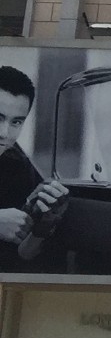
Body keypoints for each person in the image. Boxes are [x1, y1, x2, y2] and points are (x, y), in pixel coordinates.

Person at [0, 64, 68, 270]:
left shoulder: (16, 163)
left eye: (16, 122)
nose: (4, 133)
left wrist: (40, 226)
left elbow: (22, 255)